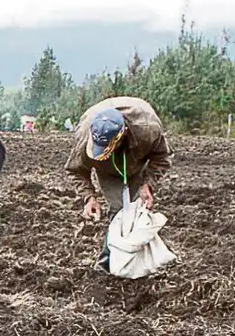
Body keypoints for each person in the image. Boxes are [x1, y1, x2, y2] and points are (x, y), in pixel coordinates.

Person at [64, 97, 172, 273]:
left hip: (136, 161)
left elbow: (162, 157)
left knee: (137, 210)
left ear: (121, 136)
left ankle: (142, 262)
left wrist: (147, 184)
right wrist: (89, 198)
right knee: (119, 211)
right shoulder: (84, 137)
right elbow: (75, 170)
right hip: (107, 172)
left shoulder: (147, 130)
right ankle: (108, 263)